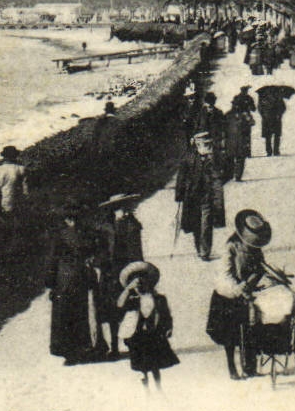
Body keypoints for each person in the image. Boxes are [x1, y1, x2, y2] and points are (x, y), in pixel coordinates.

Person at [207, 209, 272, 379]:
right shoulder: (231, 246)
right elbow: (225, 274)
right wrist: (239, 288)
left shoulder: (256, 248)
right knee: (230, 335)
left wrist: (256, 281)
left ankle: (250, 367)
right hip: (228, 295)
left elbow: (260, 267)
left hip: (247, 293)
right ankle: (232, 368)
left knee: (251, 330)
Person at [45, 204, 101, 364]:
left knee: (63, 315)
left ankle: (67, 352)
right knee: (79, 312)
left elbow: (52, 260)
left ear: (66, 220)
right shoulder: (85, 235)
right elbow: (93, 255)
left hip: (63, 278)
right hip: (80, 277)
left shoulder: (60, 236)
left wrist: (50, 283)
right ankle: (80, 348)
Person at [93, 194, 144, 357]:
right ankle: (113, 347)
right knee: (110, 310)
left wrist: (138, 271)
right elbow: (100, 250)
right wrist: (99, 262)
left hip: (127, 272)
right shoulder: (105, 227)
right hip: (109, 273)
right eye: (119, 207)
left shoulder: (132, 225)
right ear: (113, 209)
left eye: (125, 206)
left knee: (131, 307)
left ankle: (134, 343)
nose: (123, 210)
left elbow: (137, 251)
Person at [117, 260, 178, 388]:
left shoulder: (158, 298)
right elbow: (120, 304)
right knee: (141, 365)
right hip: (137, 335)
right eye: (136, 284)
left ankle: (158, 387)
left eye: (142, 282)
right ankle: (146, 388)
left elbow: (166, 314)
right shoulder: (133, 300)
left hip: (152, 334)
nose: (139, 286)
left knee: (154, 364)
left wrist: (168, 327)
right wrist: (128, 290)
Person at [175, 131, 225, 260]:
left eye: (209, 144)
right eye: (205, 145)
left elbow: (224, 171)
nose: (208, 147)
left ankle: (205, 251)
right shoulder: (189, 157)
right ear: (197, 145)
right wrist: (179, 193)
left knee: (207, 222)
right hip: (192, 196)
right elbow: (181, 176)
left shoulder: (214, 156)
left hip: (208, 196)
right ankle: (199, 247)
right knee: (195, 223)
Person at [0, 145, 29, 216]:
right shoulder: (21, 169)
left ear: (4, 157)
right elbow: (26, 191)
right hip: (18, 207)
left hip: (1, 207)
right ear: (15, 156)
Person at [256, 85, 295, 156]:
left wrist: (263, 115)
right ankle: (275, 151)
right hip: (275, 119)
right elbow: (283, 108)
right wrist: (279, 114)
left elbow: (259, 108)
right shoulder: (278, 97)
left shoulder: (262, 98)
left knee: (269, 136)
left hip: (267, 119)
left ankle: (269, 151)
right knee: (275, 136)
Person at [225, 95, 255, 181]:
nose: (236, 107)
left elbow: (252, 123)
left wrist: (248, 119)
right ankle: (232, 174)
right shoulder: (228, 115)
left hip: (241, 140)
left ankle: (238, 176)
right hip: (231, 140)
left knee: (240, 158)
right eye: (235, 105)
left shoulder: (244, 115)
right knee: (231, 158)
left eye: (238, 105)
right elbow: (223, 126)